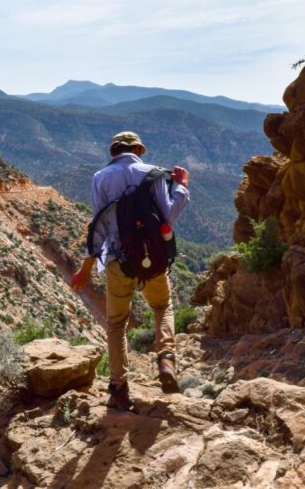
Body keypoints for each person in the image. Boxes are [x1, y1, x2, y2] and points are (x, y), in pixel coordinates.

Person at [70, 131, 190, 410]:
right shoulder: (154, 173)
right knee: (162, 307)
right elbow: (169, 216)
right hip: (153, 258)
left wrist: (85, 269)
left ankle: (119, 387)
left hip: (116, 260)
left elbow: (96, 228)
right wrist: (182, 186)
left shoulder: (100, 178)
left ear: (113, 152)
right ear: (137, 149)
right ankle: (166, 359)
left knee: (116, 324)